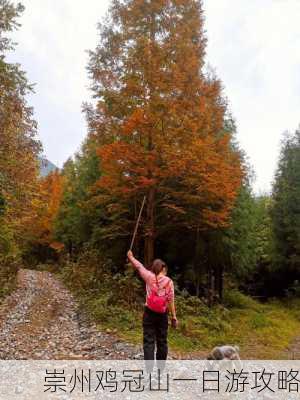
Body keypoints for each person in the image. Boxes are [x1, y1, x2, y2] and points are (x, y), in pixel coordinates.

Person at [127, 250, 177, 374]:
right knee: (162, 341)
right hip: (162, 315)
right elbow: (171, 301)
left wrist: (131, 257)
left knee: (149, 341)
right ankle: (160, 371)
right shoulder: (169, 282)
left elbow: (139, 266)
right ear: (163, 269)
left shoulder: (149, 276)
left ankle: (149, 372)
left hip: (149, 313)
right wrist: (174, 317)